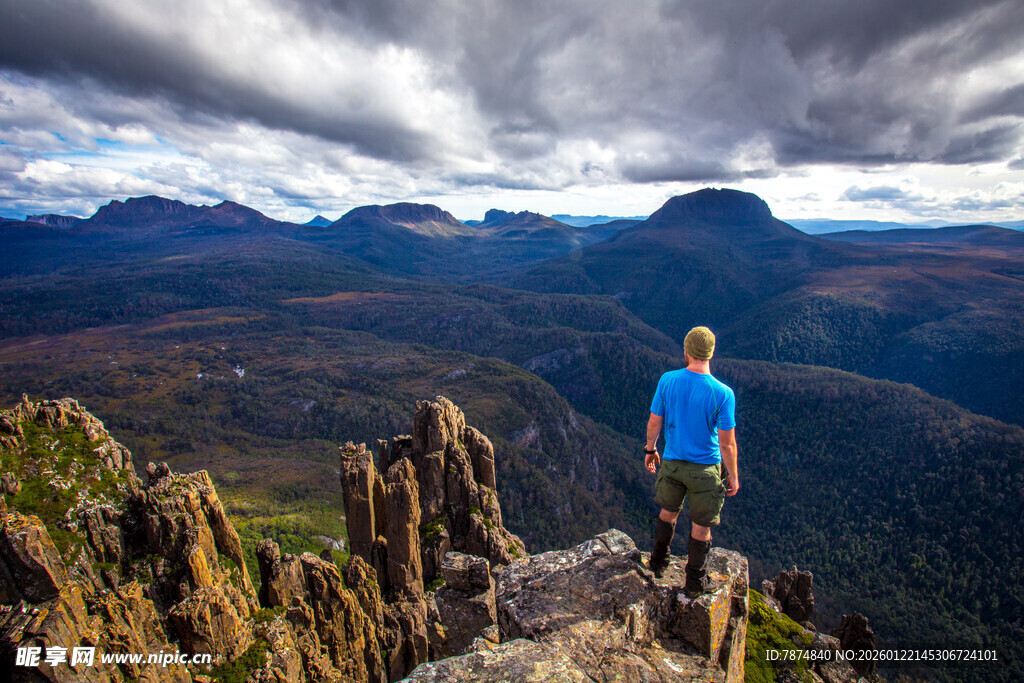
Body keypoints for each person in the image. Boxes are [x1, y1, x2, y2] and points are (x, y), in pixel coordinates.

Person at [644, 325, 739, 596]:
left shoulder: (668, 380)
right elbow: (727, 443)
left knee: (667, 512)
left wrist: (650, 450)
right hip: (706, 470)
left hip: (673, 463)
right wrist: (732, 475)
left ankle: (658, 561)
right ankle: (695, 582)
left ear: (686, 351)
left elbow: (654, 422)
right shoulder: (723, 393)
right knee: (701, 527)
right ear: (710, 354)